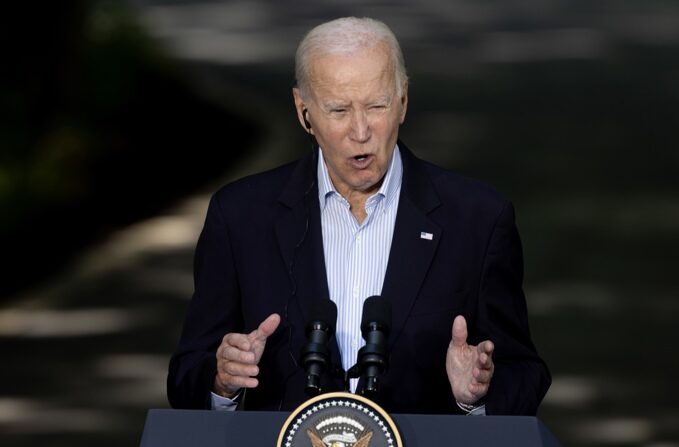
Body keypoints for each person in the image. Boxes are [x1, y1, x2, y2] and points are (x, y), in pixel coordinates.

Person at [168, 17, 550, 415]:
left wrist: (475, 396)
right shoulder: (241, 216)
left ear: (403, 101)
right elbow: (186, 377)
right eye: (338, 110)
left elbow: (523, 374)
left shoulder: (478, 219)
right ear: (304, 113)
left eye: (376, 105)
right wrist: (222, 381)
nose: (361, 130)